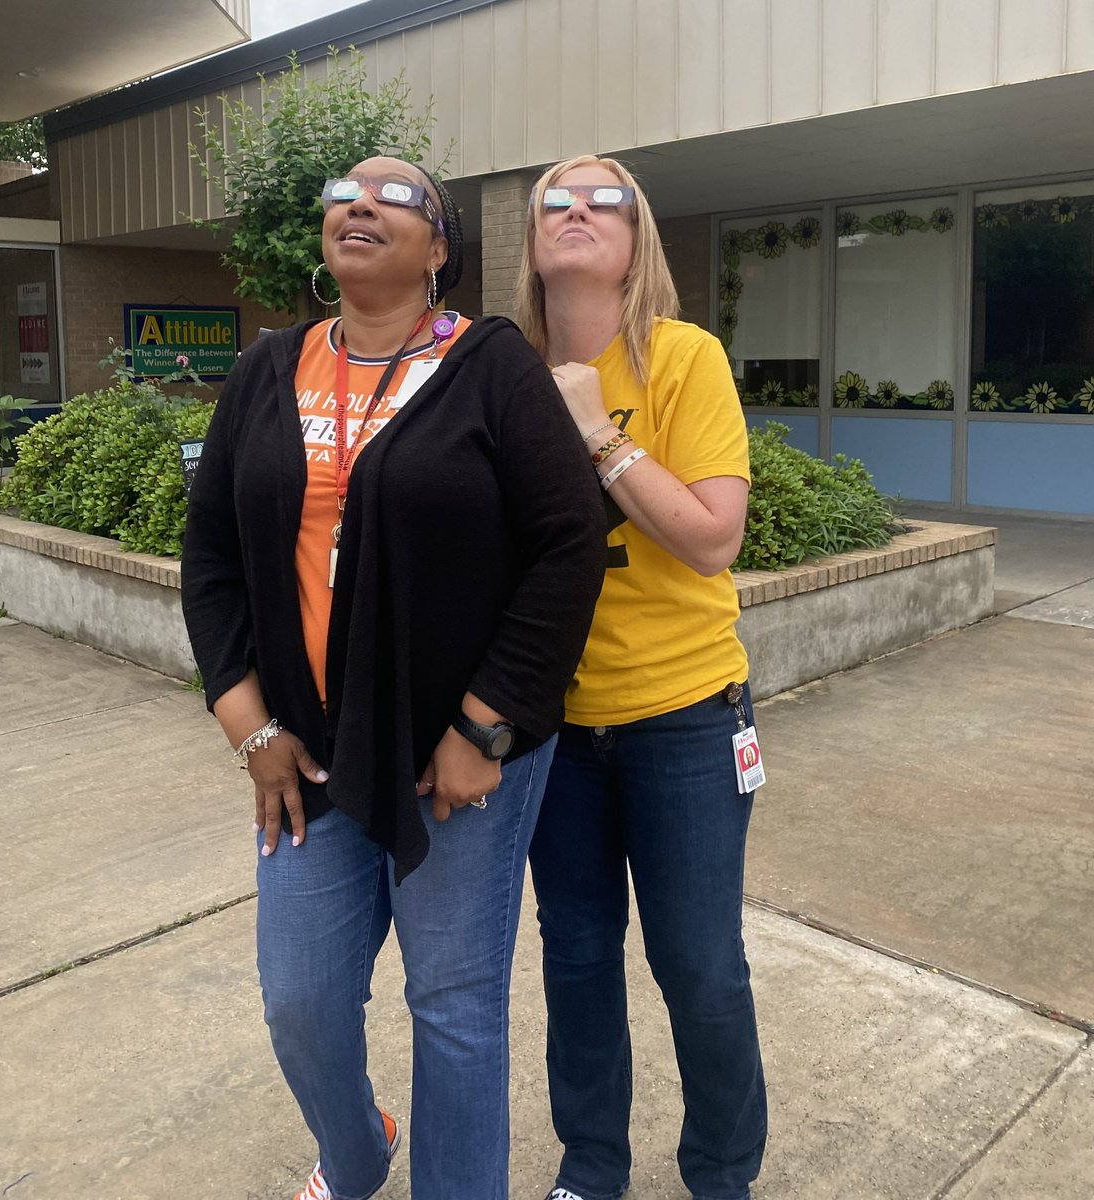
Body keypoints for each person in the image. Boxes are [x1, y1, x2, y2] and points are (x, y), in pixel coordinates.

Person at [181, 156, 605, 1200]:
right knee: (301, 997)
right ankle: (358, 1148)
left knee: (453, 1007)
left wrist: (484, 727)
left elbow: (568, 545)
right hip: (310, 751)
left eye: (398, 195)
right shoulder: (267, 369)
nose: (361, 204)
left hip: (452, 759)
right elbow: (211, 555)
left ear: (442, 247)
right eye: (342, 191)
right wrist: (247, 723)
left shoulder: (492, 365)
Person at [516, 156, 767, 1200]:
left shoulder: (682, 359)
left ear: (639, 237)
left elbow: (712, 540)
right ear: (530, 240)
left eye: (603, 199)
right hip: (552, 731)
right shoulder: (496, 370)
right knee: (575, 960)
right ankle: (591, 1169)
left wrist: (593, 428)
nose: (577, 211)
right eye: (555, 201)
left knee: (699, 967)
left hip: (686, 719)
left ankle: (720, 1175)